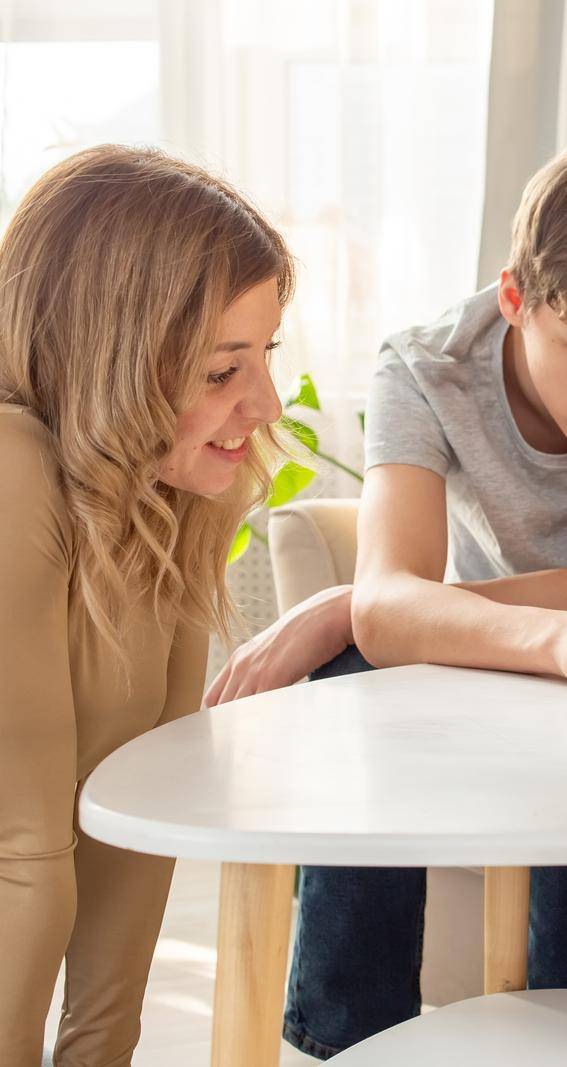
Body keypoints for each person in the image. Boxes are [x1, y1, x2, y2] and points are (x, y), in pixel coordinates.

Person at [207, 134, 567, 1059]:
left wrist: (357, 604)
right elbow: (390, 607)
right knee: (354, 678)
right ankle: (347, 1040)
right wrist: (385, 610)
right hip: (497, 652)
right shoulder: (425, 367)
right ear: (515, 299)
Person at [0, 145, 294, 1067]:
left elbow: (135, 819)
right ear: (108, 358)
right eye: (220, 373)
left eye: (266, 358)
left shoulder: (180, 491)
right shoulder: (12, 469)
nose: (266, 404)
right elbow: (26, 855)